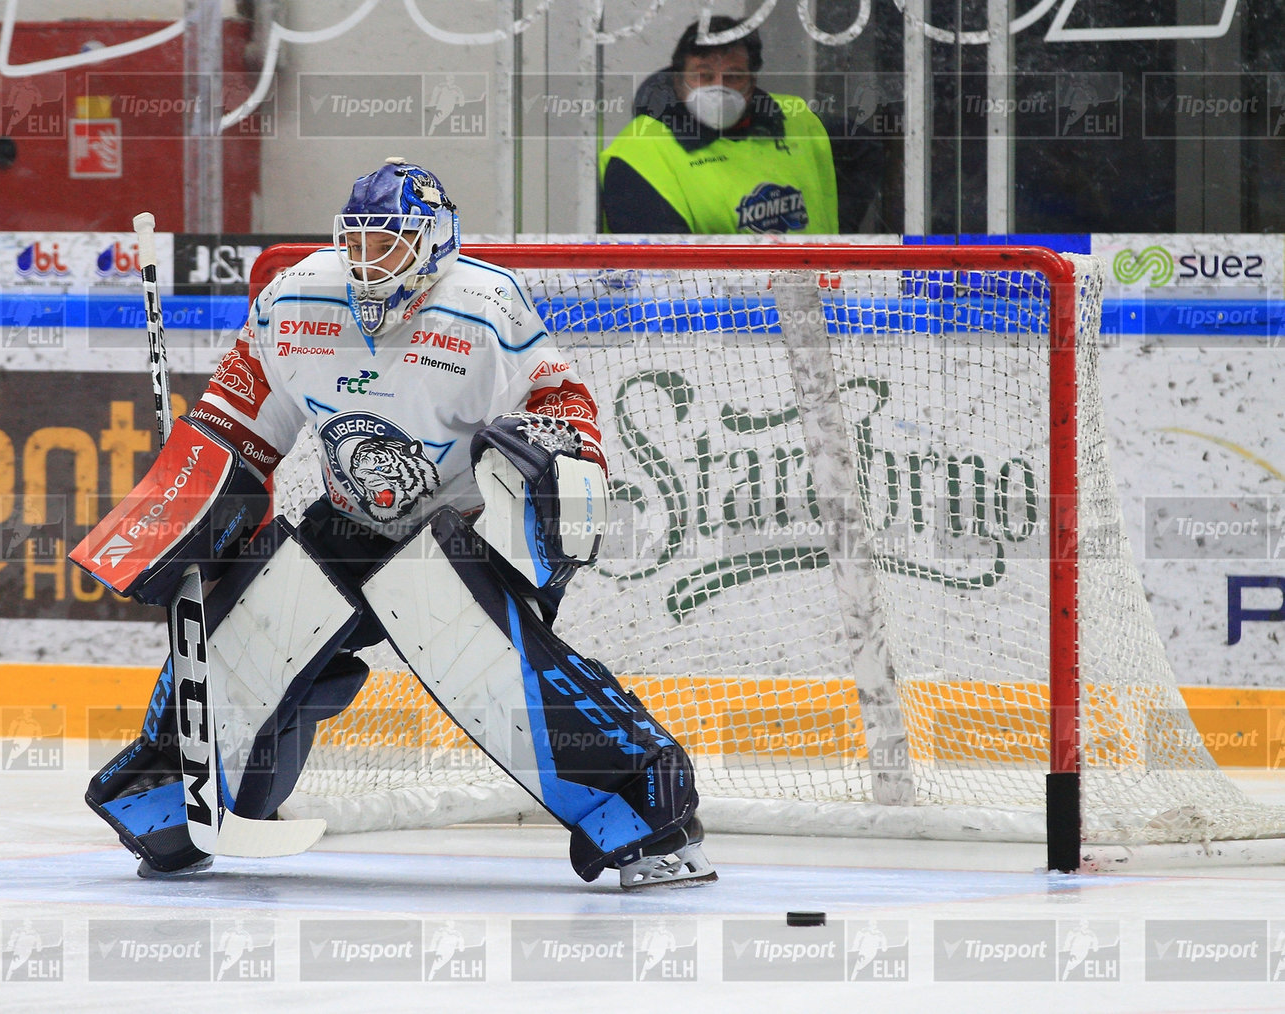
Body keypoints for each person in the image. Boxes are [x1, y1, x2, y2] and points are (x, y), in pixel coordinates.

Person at [71, 158, 716, 891]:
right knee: (257, 626)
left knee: (481, 659)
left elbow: (564, 410)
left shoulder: (485, 306)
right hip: (349, 516)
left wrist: (550, 481)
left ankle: (647, 814)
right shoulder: (296, 298)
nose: (369, 261)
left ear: (436, 244)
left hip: (458, 524)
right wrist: (187, 505)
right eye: (359, 243)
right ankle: (180, 804)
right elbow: (236, 427)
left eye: (391, 244)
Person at [599, 15, 838, 235]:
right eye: (704, 75)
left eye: (733, 76)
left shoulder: (796, 119)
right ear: (678, 80)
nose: (718, 88)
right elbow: (662, 275)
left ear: (752, 83)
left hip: (828, 278)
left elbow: (862, 152)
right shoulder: (640, 152)